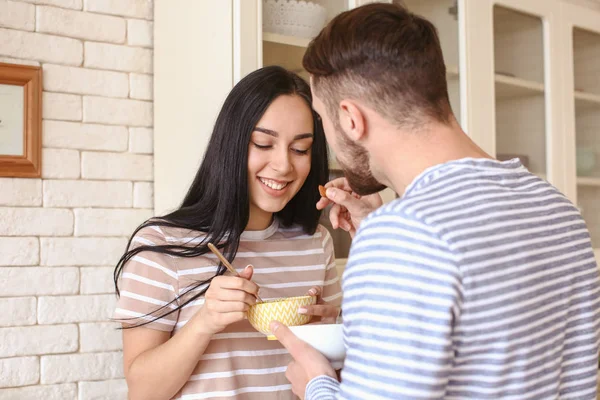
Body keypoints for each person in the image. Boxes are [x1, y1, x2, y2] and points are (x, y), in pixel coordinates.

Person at [271, 3, 600, 400]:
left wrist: (317, 385)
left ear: (351, 118)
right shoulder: (557, 209)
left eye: (322, 121)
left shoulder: (404, 235)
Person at [112, 66, 342, 400]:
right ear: (231, 145)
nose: (283, 165)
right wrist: (206, 321)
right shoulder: (162, 246)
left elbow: (339, 378)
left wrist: (329, 333)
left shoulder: (314, 243)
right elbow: (142, 390)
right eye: (263, 143)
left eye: (300, 149)